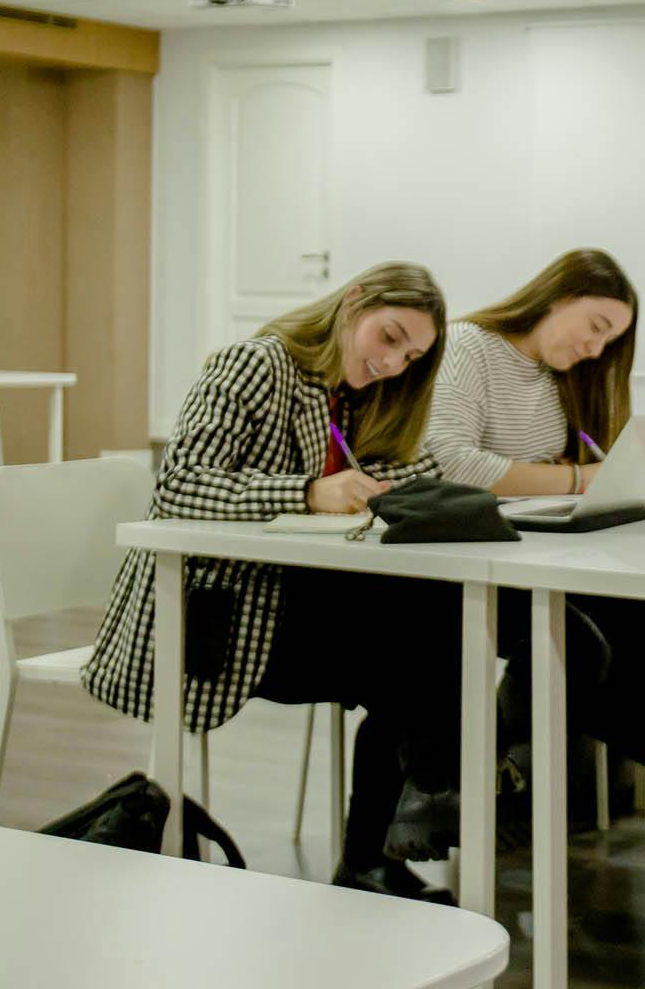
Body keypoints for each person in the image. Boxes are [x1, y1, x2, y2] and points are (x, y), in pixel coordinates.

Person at [83, 262, 461, 901]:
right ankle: (419, 808)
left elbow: (413, 470)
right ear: (353, 301)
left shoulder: (366, 395)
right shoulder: (256, 365)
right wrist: (309, 492)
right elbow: (179, 484)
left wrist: (397, 488)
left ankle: (415, 809)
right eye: (390, 337)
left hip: (299, 604)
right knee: (422, 644)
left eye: (412, 357)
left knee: (434, 626)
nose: (394, 363)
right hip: (216, 619)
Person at [425, 248, 645, 821]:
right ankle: (490, 786)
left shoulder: (562, 375)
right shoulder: (468, 347)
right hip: (470, 557)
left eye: (608, 340)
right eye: (595, 327)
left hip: (537, 551)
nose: (595, 350)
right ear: (558, 297)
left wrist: (600, 483)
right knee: (575, 641)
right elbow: (453, 462)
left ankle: (588, 788)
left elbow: (547, 471)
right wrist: (578, 478)